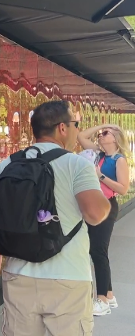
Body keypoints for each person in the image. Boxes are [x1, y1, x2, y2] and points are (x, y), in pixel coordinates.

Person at [0, 100, 111, 336]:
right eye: (75, 124)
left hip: (18, 274)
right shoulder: (77, 164)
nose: (76, 129)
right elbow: (96, 214)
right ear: (62, 128)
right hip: (67, 276)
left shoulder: (10, 162)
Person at [78, 123, 130, 315]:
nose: (100, 136)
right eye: (100, 134)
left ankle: (101, 300)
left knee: (98, 251)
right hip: (95, 205)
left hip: (107, 206)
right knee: (96, 250)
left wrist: (100, 176)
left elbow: (123, 188)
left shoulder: (119, 160)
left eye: (105, 133)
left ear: (115, 138)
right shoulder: (98, 154)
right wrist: (103, 125)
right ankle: (108, 294)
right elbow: (81, 136)